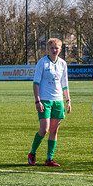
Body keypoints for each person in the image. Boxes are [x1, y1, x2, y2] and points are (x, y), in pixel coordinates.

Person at [28, 38, 71, 167]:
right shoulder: (42, 63)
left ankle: (49, 159)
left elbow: (65, 84)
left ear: (60, 49)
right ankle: (32, 153)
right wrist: (37, 100)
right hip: (45, 100)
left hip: (58, 101)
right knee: (44, 129)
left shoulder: (63, 63)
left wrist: (68, 100)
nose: (54, 50)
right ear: (48, 49)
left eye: (56, 48)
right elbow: (36, 83)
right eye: (52, 48)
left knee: (54, 131)